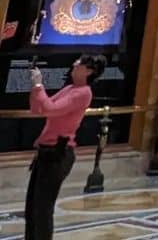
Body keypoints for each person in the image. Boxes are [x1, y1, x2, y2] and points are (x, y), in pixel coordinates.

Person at [25, 54, 105, 240]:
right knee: (32, 208)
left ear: (89, 71)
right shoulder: (70, 88)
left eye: (79, 63)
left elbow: (50, 109)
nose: (74, 64)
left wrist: (39, 85)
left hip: (58, 154)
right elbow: (39, 109)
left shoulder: (83, 92)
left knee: (43, 208)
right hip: (45, 152)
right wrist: (35, 88)